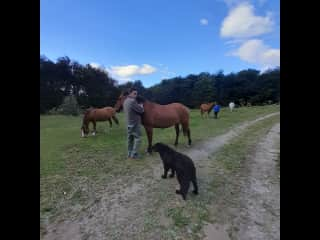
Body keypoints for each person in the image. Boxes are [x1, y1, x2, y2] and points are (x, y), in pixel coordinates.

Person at [123, 88, 144, 159]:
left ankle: (129, 153)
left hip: (128, 123)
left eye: (136, 94)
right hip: (135, 123)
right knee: (138, 138)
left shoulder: (125, 101)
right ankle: (134, 154)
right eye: (134, 93)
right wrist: (141, 105)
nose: (136, 95)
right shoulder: (132, 101)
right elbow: (141, 111)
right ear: (130, 93)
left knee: (130, 139)